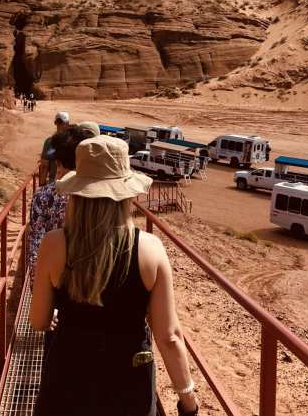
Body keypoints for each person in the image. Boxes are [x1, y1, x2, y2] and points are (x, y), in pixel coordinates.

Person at [30, 135, 199, 416]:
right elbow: (169, 337)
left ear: (78, 190)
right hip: (128, 386)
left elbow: (38, 320)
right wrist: (188, 401)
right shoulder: (150, 249)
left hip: (66, 381)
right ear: (127, 193)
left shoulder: (54, 243)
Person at [27, 125, 96, 281]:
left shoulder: (43, 195)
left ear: (59, 164)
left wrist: (38, 289)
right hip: (91, 284)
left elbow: (36, 247)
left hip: (54, 282)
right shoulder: (99, 194)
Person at [39, 112, 70, 185]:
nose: (59, 126)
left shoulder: (49, 141)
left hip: (54, 182)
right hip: (69, 182)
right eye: (58, 123)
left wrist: (42, 184)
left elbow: (44, 165)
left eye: (61, 123)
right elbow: (44, 165)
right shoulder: (73, 140)